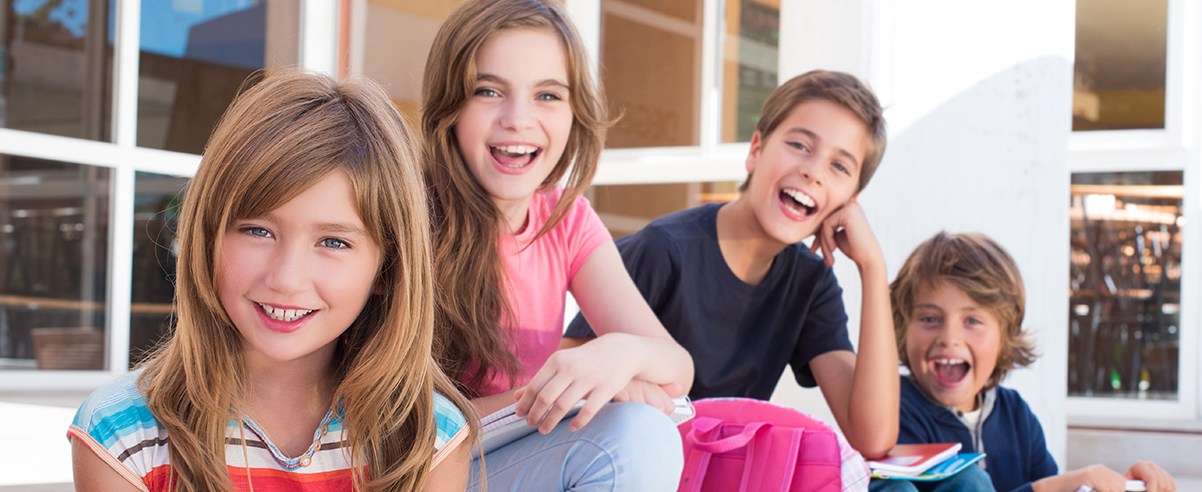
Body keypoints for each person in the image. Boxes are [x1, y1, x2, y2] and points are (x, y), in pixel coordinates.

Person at [67, 71, 473, 491]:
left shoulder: (427, 437)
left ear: (387, 269)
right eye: (258, 231)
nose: (286, 278)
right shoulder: (124, 433)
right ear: (207, 238)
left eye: (333, 241)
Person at [421, 0, 693, 489]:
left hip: (504, 462)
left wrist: (617, 357)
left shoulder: (564, 219)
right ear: (450, 108)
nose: (518, 119)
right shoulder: (410, 215)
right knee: (630, 437)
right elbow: (399, 423)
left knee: (642, 431)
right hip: (421, 470)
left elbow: (677, 365)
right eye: (488, 91)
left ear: (575, 114)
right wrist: (563, 393)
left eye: (547, 95)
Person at [564, 69, 901, 459]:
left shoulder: (810, 283)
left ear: (850, 200)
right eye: (799, 145)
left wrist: (873, 268)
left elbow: (873, 437)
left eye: (839, 167)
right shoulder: (665, 249)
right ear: (755, 149)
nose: (813, 172)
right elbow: (567, 377)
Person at [890, 232, 1176, 492]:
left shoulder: (1016, 415)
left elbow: (1063, 487)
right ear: (902, 328)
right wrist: (1051, 487)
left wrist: (1119, 486)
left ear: (1005, 335)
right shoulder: (892, 412)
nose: (949, 337)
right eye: (930, 319)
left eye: (972, 320)